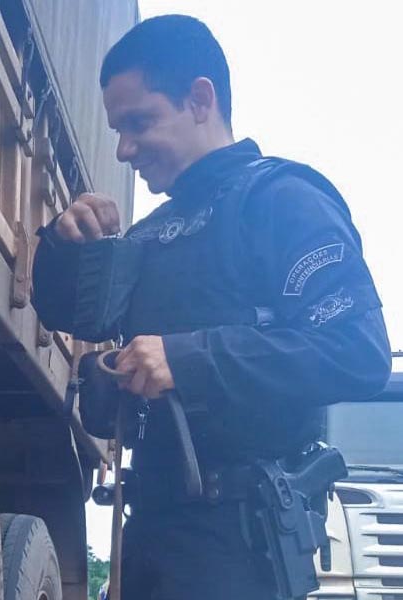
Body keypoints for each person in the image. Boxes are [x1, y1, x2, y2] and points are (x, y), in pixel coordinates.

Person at [32, 14, 391, 600]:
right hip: (150, 537)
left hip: (239, 547)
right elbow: (67, 312)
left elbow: (356, 350)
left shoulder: (283, 201)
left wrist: (186, 360)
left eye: (139, 123)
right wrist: (63, 246)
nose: (124, 149)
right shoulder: (150, 233)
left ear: (201, 99)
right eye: (117, 130)